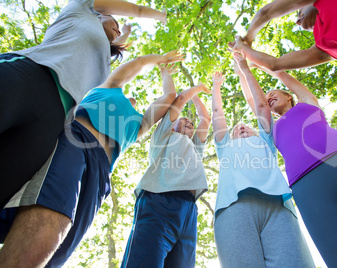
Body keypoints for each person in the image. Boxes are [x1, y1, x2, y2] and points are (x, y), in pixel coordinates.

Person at [0, 50, 185, 267]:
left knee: (62, 246)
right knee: (50, 219)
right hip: (76, 141)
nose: (133, 99)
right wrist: (159, 59)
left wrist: (166, 73)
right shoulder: (108, 88)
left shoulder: (138, 125)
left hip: (101, 171)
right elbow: (139, 62)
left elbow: (169, 98)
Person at [233, 51, 337, 267]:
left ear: (289, 96)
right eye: (266, 97)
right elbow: (254, 101)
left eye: (274, 92)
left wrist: (261, 63)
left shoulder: (308, 103)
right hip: (309, 188)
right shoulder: (270, 127)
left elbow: (283, 75)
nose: (268, 97)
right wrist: (243, 68)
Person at [0, 0, 167, 210]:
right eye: (113, 21)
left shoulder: (104, 56)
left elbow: (114, 44)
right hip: (32, 74)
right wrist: (159, 15)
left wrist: (124, 33)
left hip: (56, 116)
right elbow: (137, 10)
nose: (116, 28)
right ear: (99, 14)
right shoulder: (80, 10)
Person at [211, 68, 314, 268]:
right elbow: (217, 113)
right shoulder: (225, 147)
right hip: (234, 207)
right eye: (235, 129)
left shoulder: (266, 141)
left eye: (246, 127)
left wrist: (242, 68)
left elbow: (261, 107)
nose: (241, 127)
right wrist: (216, 86)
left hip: (278, 207)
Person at [120, 81, 212, 268]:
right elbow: (180, 99)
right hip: (158, 200)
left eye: (191, 123)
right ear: (171, 125)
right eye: (183, 120)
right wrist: (198, 88)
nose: (189, 122)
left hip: (188, 210)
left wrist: (197, 97)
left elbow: (206, 119)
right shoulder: (164, 136)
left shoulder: (195, 147)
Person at [230, 0, 337, 79]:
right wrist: (244, 49)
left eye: (298, 13)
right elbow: (275, 64)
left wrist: (247, 38)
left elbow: (266, 13)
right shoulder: (324, 48)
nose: (297, 21)